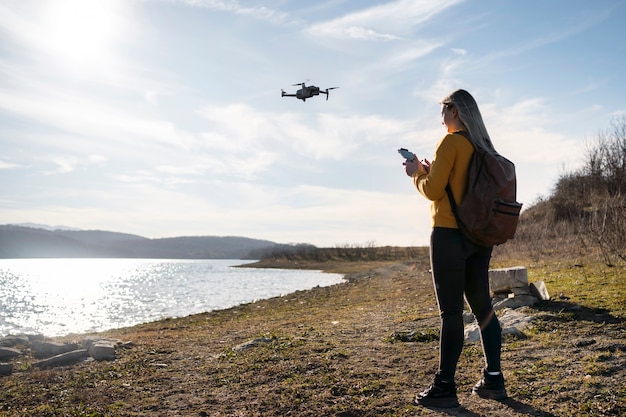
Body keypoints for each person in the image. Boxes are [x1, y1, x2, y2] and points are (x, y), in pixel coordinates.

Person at [403, 89, 507, 408]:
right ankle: (493, 379)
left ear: (456, 112)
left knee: (451, 312)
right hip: (479, 236)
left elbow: (435, 191)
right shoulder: (482, 146)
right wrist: (434, 170)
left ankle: (445, 386)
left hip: (449, 233)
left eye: (445, 109)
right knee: (482, 307)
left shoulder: (450, 142)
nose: (442, 115)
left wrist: (416, 174)